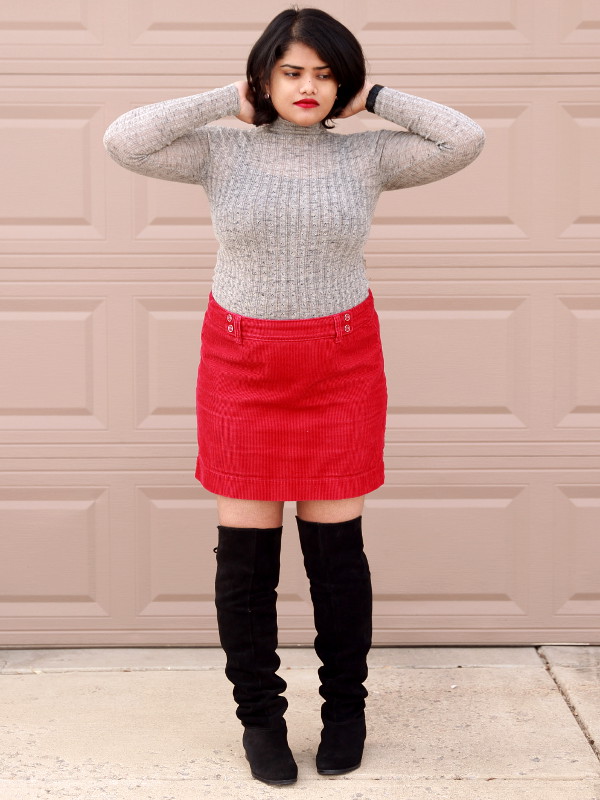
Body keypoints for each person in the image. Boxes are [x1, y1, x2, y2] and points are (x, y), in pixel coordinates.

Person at [103, 5, 485, 787]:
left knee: (335, 556)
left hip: (340, 363)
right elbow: (124, 139)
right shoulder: (219, 152)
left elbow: (464, 138)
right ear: (265, 76)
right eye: (291, 71)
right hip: (242, 365)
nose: (308, 87)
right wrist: (225, 97)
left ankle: (346, 710)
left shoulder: (370, 157)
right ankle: (261, 721)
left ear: (342, 81)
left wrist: (375, 95)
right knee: (246, 562)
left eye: (323, 73)